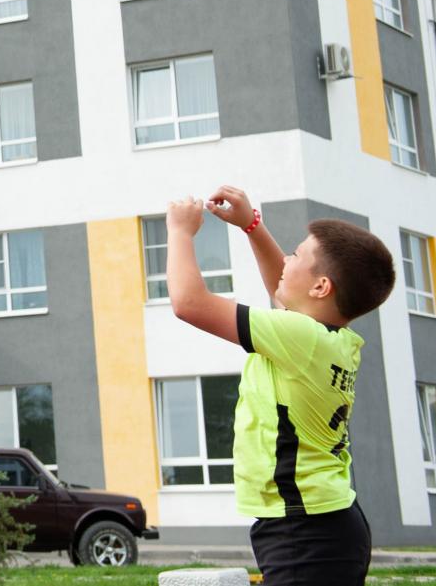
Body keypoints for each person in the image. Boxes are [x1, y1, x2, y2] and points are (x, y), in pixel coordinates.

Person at [164, 187, 396, 586]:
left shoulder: (300, 337)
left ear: (322, 286)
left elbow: (189, 303)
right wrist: (252, 226)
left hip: (305, 530)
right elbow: (287, 295)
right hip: (323, 523)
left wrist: (179, 231)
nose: (286, 260)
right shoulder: (331, 338)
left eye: (296, 255)